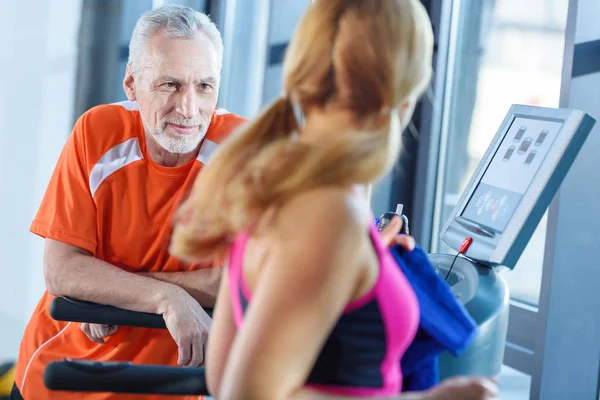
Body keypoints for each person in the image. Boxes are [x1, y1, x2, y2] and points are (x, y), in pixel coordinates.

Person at [170, 0, 499, 399]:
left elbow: (224, 379)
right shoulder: (326, 216)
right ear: (405, 95)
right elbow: (246, 395)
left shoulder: (286, 191)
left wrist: (365, 267)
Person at [11, 5, 245, 400]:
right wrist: (166, 297)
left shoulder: (242, 151)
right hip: (60, 377)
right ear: (132, 84)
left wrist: (108, 286)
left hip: (165, 388)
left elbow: (244, 282)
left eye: (204, 86)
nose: (189, 109)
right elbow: (62, 271)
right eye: (170, 85)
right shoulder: (98, 132)